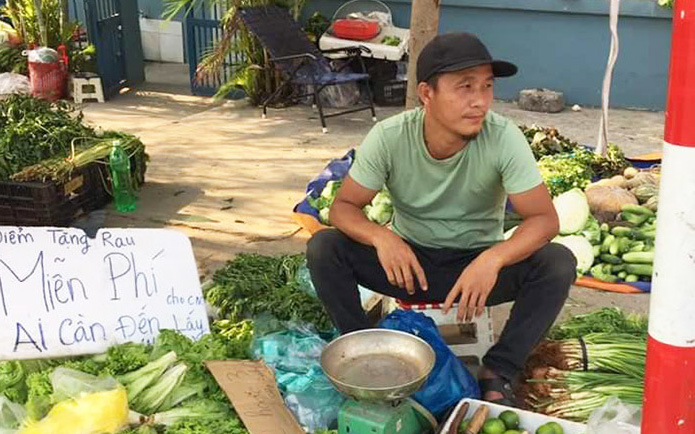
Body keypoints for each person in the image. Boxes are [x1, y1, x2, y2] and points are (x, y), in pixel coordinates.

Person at [306, 32, 576, 406]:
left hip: (475, 275)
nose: (479, 101)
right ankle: (366, 351)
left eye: (486, 86)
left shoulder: (503, 138)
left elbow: (544, 220)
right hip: (408, 267)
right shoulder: (390, 137)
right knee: (325, 247)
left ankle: (499, 371)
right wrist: (382, 238)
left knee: (557, 262)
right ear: (426, 93)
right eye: (464, 87)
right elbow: (343, 208)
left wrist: (493, 258)